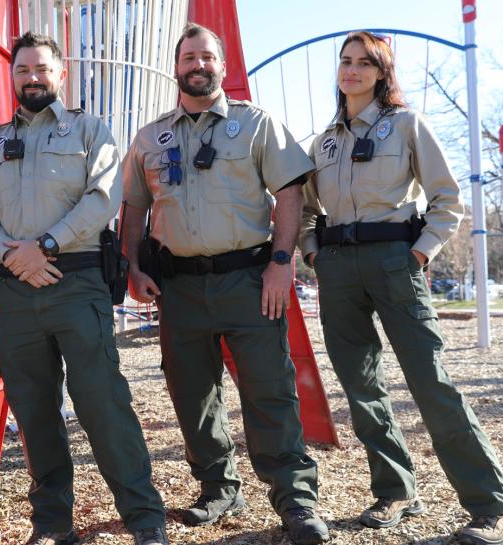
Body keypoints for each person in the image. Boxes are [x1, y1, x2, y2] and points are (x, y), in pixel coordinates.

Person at [299, 31, 503, 545]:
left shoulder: (406, 125)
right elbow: (307, 210)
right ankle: (396, 490)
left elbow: (448, 199)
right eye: (345, 61)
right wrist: (315, 256)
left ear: (381, 73)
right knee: (362, 389)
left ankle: (493, 505)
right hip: (338, 269)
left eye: (363, 63)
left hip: (395, 261)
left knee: (430, 382)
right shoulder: (324, 141)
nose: (350, 70)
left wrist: (418, 253)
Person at [122, 24, 329, 545]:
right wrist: (133, 265)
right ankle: (217, 487)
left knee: (269, 389)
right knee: (191, 393)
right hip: (180, 287)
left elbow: (289, 193)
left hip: (250, 280)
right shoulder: (150, 137)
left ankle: (295, 498)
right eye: (189, 56)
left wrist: (282, 262)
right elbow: (133, 208)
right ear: (176, 67)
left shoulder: (255, 124)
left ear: (221, 65)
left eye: (207, 56)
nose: (199, 64)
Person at [0, 32, 169, 545]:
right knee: (34, 409)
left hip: (76, 283)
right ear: (12, 77)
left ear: (61, 74)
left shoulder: (91, 131)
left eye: (42, 69)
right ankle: (52, 523)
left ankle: (144, 518)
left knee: (102, 401)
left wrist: (46, 244)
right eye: (23, 69)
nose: (32, 77)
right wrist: (13, 254)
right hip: (15, 290)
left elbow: (103, 198)